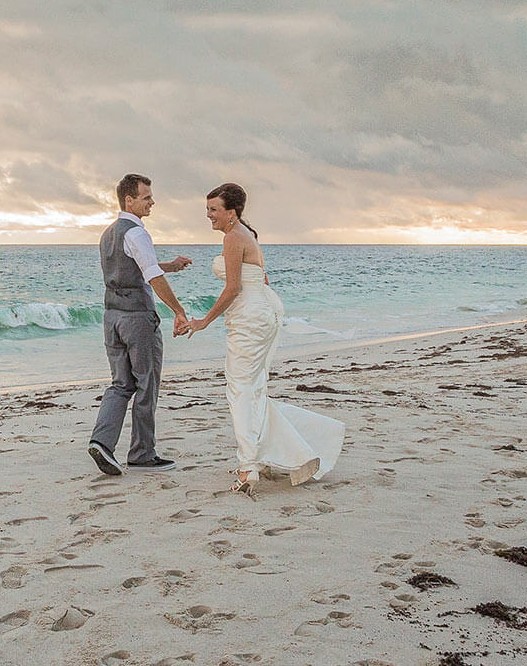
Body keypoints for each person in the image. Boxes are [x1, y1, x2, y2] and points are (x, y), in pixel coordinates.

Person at [178, 183, 344, 495]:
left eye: (213, 209)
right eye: (207, 209)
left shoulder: (233, 237)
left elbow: (232, 289)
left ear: (231, 212)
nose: (208, 215)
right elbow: (261, 279)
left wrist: (203, 321)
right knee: (253, 388)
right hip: (263, 312)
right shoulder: (247, 234)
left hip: (250, 319)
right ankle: (261, 457)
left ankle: (247, 468)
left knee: (240, 391)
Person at [88, 173, 193, 476]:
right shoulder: (137, 233)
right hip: (137, 319)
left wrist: (170, 265)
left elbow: (133, 268)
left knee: (121, 384)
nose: (152, 202)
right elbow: (151, 277)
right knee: (147, 384)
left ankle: (102, 442)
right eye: (146, 197)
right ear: (129, 200)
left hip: (111, 317)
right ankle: (142, 453)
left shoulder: (109, 233)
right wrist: (179, 310)